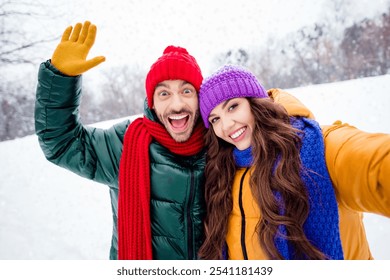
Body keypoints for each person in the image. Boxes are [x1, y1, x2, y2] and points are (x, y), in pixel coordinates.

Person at [35, 21, 206, 260]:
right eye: (164, 93)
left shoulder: (220, 143)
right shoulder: (124, 144)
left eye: (187, 91)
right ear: (152, 102)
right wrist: (60, 78)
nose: (177, 104)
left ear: (200, 98)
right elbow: (61, 142)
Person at [197, 65, 390, 260]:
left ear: (255, 102)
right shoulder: (221, 175)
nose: (226, 125)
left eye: (232, 107)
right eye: (215, 119)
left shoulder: (316, 148)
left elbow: (375, 164)